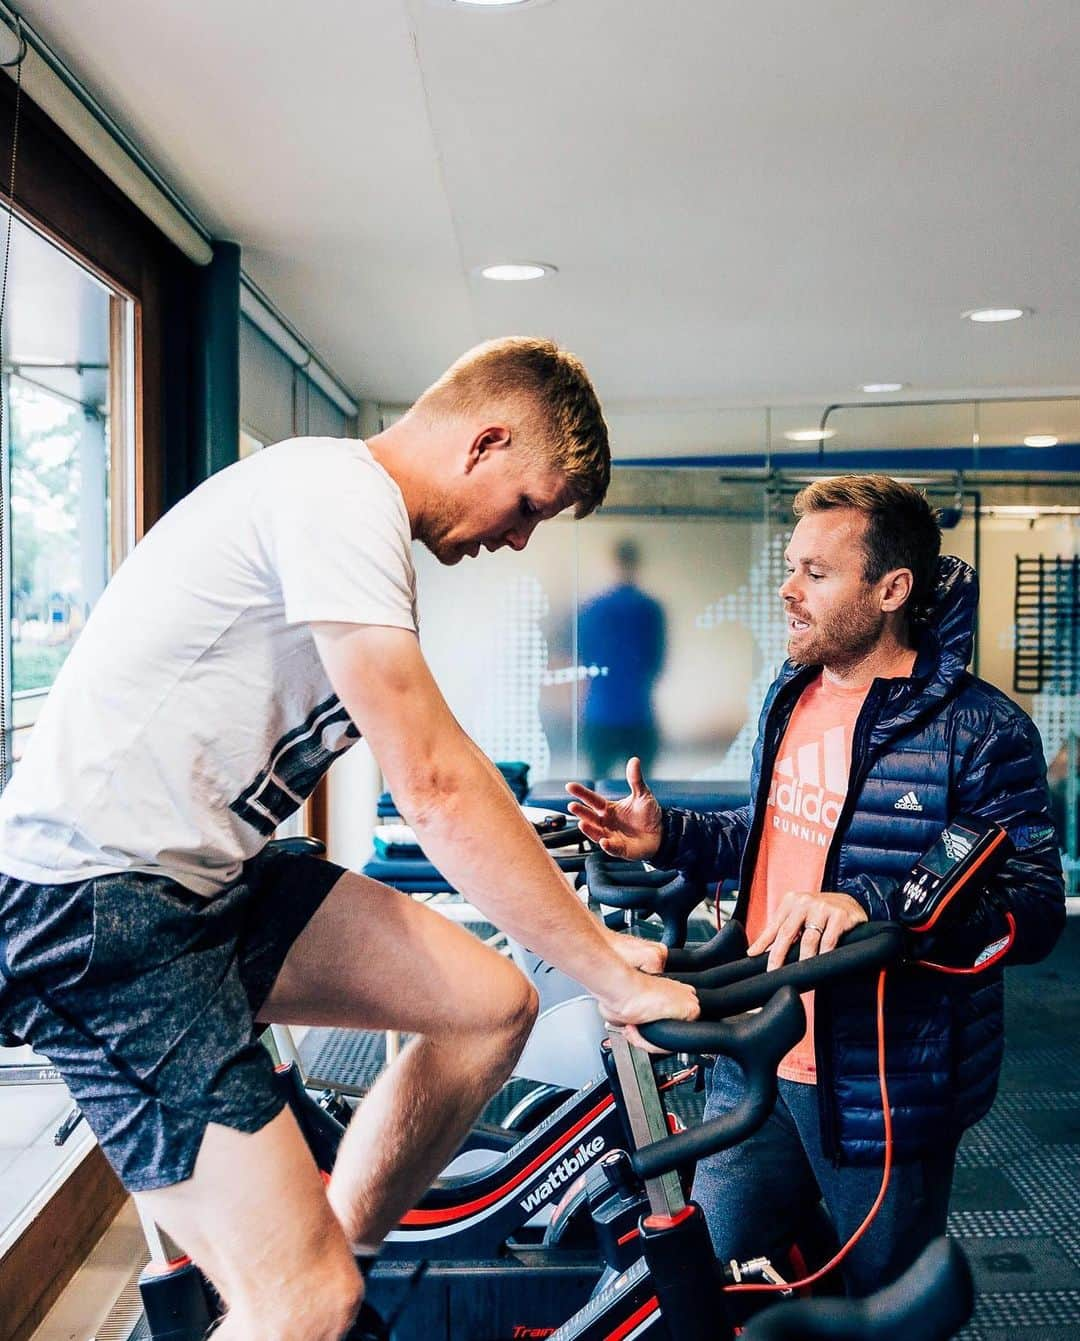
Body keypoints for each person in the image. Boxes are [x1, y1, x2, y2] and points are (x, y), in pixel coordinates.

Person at [0, 337, 698, 1341]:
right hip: (96, 912)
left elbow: (443, 760)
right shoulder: (336, 497)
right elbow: (434, 782)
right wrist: (608, 977)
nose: (519, 539)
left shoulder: (344, 511)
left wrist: (588, 956)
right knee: (301, 1303)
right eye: (532, 507)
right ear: (486, 440)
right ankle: (308, 1304)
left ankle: (332, 1273)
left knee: (487, 1007)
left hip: (204, 886)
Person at [567, 474, 1065, 1297]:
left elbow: (1033, 911)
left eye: (816, 574)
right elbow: (767, 841)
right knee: (722, 1290)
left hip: (883, 1085)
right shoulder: (792, 695)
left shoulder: (983, 732)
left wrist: (874, 908)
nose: (789, 591)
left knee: (879, 1306)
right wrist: (670, 836)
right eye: (791, 567)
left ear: (891, 589)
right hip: (752, 1054)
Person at [578, 538, 666, 778]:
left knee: (597, 787)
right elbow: (656, 661)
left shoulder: (594, 608)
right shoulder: (649, 609)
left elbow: (584, 657)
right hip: (638, 711)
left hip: (601, 711)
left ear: (614, 562)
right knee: (641, 787)